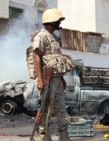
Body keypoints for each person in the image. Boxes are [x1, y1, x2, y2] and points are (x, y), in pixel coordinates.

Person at [32, 8, 71, 141]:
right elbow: (36, 58)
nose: (59, 23)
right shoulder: (41, 36)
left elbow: (57, 60)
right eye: (58, 20)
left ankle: (64, 138)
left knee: (61, 110)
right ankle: (44, 138)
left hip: (57, 79)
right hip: (47, 80)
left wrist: (62, 79)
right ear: (52, 21)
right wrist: (39, 80)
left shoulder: (54, 37)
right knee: (45, 111)